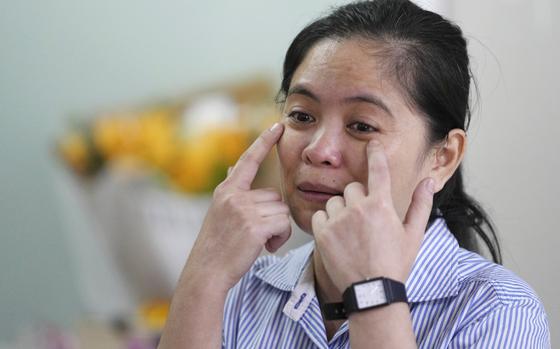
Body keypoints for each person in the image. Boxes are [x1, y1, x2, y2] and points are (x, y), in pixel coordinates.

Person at [158, 0, 550, 348]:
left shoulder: (497, 310)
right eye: (302, 116)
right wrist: (205, 273)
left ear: (443, 156)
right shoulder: (246, 288)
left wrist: (373, 291)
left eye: (362, 126)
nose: (318, 150)